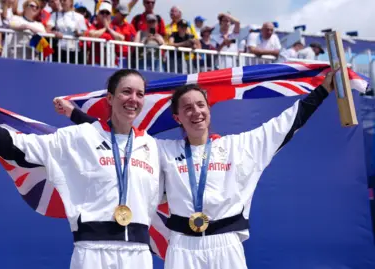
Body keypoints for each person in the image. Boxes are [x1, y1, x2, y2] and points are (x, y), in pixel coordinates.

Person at [54, 69, 338, 269]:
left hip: (226, 245)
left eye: (201, 105)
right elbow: (117, 138)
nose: (196, 112)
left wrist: (323, 90)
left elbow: (285, 124)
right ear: (177, 117)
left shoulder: (238, 147)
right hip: (182, 248)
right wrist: (76, 115)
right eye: (187, 108)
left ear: (210, 110)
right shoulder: (161, 150)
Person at [0, 69, 163, 269]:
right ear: (109, 98)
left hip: (138, 254)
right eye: (126, 91)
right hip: (93, 251)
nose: (133, 99)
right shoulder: (79, 137)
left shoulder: (152, 146)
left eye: (140, 94)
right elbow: (16, 147)